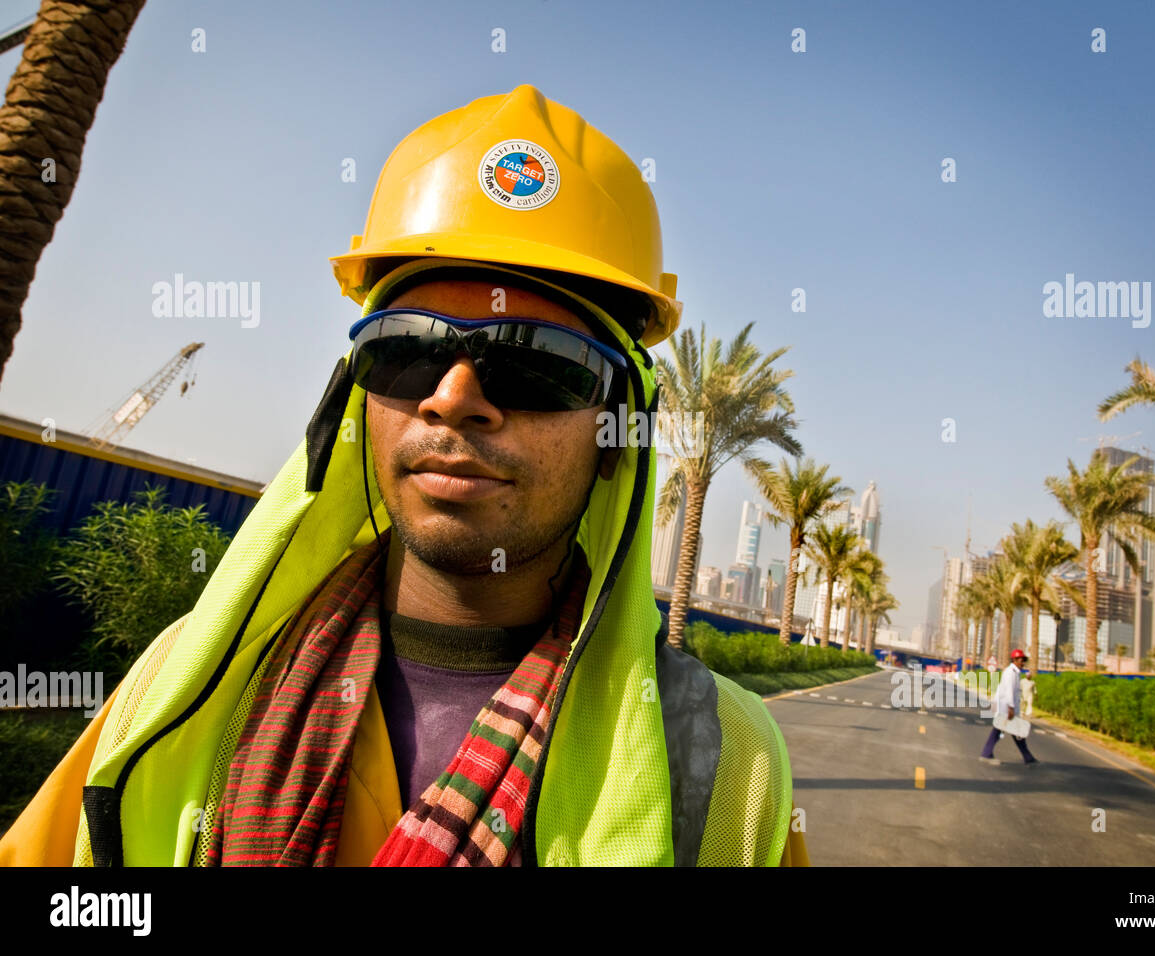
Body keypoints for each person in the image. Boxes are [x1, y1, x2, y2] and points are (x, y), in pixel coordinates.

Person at [0, 84, 808, 867]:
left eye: (536, 364)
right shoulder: (188, 685)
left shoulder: (723, 766)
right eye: (407, 350)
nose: (453, 400)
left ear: (614, 438)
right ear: (356, 396)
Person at [979, 648, 1038, 765]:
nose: (1023, 662)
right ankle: (986, 754)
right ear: (1015, 660)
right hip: (1005, 708)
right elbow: (1009, 692)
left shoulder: (1015, 672)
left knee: (1015, 732)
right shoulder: (1010, 673)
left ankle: (1028, 757)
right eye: (1021, 660)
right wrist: (1010, 708)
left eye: (1023, 660)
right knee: (1008, 732)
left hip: (1008, 708)